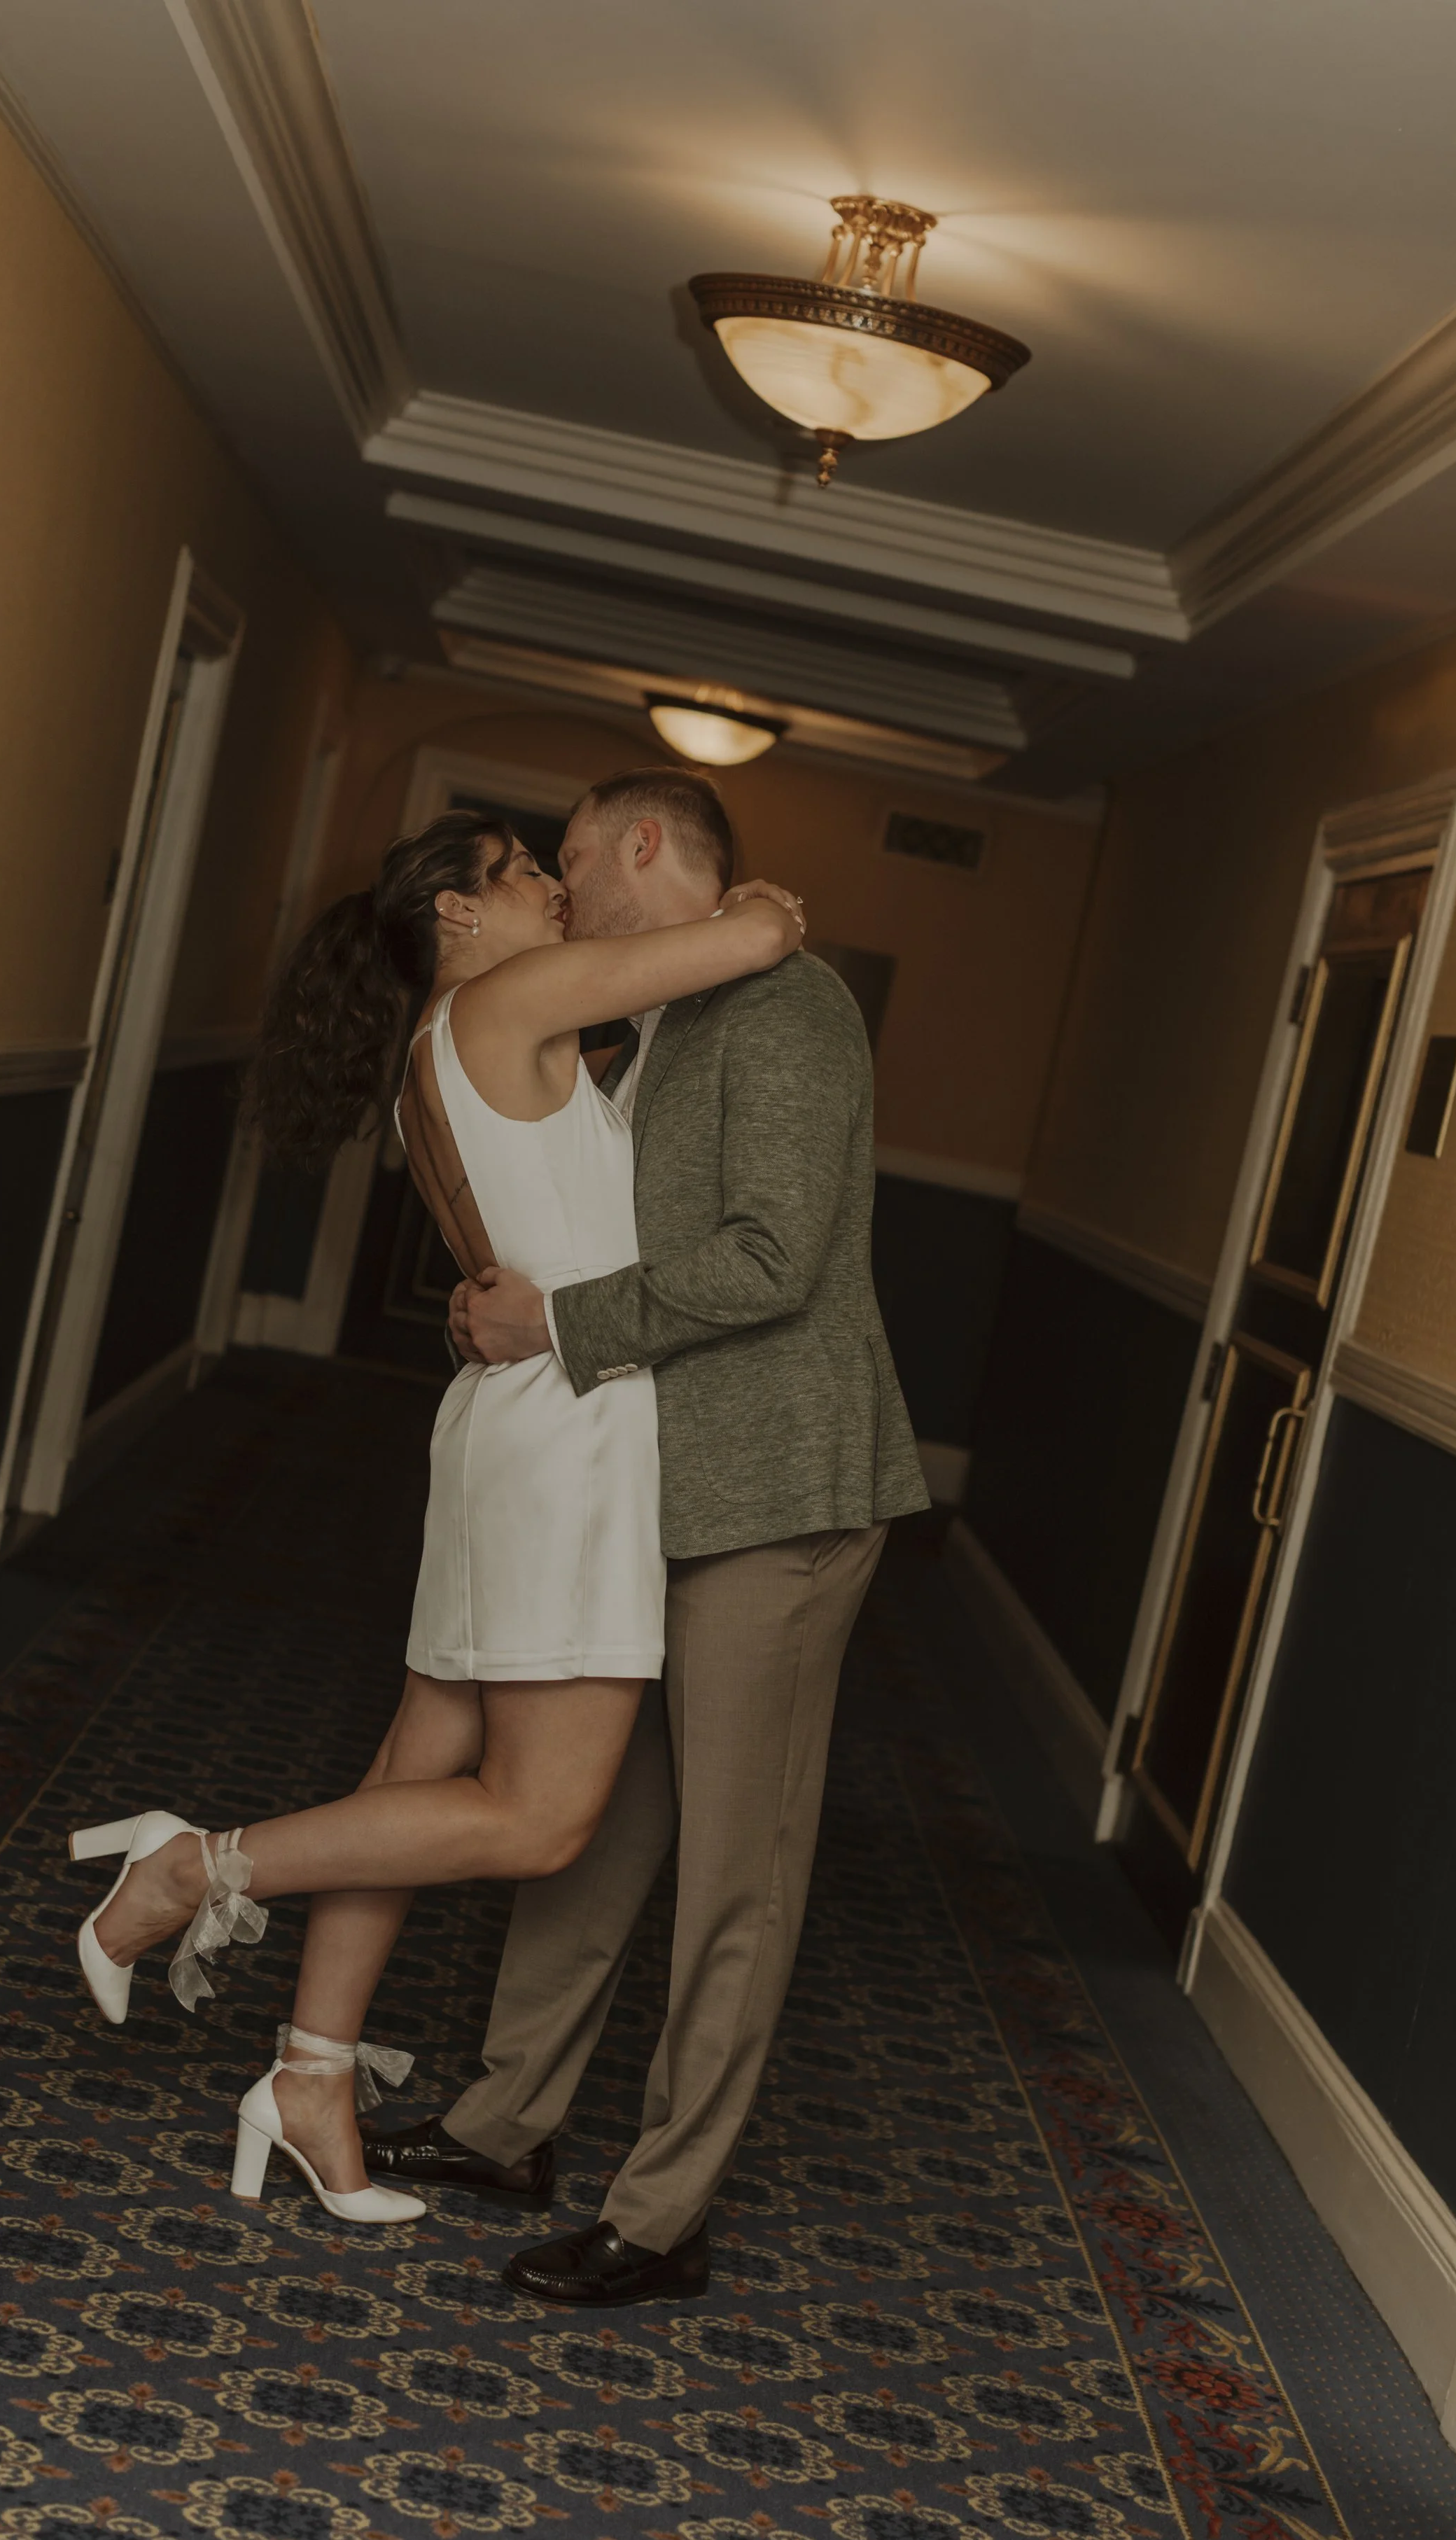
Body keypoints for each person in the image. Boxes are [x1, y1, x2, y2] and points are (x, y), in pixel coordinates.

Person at [66, 805, 805, 2227]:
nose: (552, 889)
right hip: (570, 1443)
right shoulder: (514, 999)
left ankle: (311, 2075)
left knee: (412, 1778)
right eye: (526, 872)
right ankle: (196, 1865)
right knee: (538, 1820)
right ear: (458, 913)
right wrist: (760, 907)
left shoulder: (438, 1045)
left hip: (504, 1425)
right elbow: (757, 935)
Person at [363, 767, 929, 2303]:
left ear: (639, 845)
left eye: (569, 858)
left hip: (780, 1495)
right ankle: (505, 2124)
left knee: (737, 1870)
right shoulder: (662, 1007)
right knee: (594, 1824)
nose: (559, 889)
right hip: (660, 1490)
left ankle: (665, 2215)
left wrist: (555, 1324)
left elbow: (772, 1260)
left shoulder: (791, 1007)